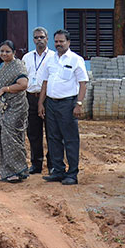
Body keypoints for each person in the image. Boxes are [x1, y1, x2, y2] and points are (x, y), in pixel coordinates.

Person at [38, 29, 87, 186]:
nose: (58, 44)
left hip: (68, 104)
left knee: (70, 139)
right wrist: (41, 103)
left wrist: (79, 104)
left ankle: (72, 174)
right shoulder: (50, 60)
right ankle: (58, 171)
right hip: (51, 104)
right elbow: (45, 82)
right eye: (56, 41)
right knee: (53, 138)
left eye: (61, 41)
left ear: (68, 42)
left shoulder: (76, 59)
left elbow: (83, 84)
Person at [0, 39, 30, 182]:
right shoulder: (3, 65)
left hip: (17, 107)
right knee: (4, 137)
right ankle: (7, 171)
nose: (4, 54)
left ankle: (17, 171)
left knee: (12, 138)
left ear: (14, 52)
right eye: (2, 51)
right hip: (5, 107)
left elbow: (23, 84)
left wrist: (5, 89)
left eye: (7, 51)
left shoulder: (18, 66)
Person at [23, 26, 54, 175]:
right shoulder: (27, 57)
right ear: (33, 40)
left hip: (49, 99)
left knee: (52, 132)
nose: (39, 40)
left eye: (42, 37)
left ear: (47, 39)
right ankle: (36, 164)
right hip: (31, 97)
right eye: (36, 37)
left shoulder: (54, 57)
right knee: (33, 133)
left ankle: (53, 164)